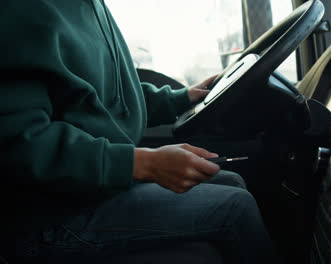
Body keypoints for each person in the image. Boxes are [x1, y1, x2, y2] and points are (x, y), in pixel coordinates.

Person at [0, 0, 276, 263]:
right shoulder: (19, 11)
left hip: (95, 187)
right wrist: (143, 163)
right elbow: (21, 145)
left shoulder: (90, 7)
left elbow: (111, 96)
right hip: (48, 217)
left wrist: (181, 98)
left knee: (232, 183)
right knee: (236, 208)